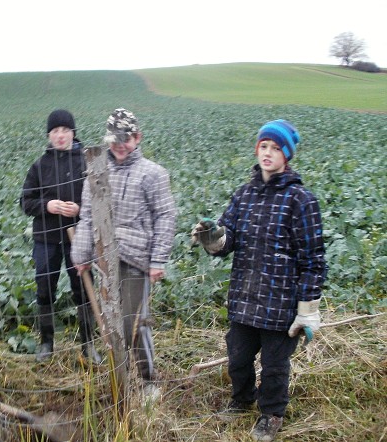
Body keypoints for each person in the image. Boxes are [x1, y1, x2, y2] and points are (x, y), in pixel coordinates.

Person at [191, 119, 327, 441]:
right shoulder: (244, 195)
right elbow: (228, 240)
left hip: (280, 303)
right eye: (264, 146)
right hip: (245, 297)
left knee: (275, 364)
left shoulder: (301, 200)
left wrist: (307, 308)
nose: (268, 153)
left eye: (276, 148)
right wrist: (214, 237)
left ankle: (271, 414)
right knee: (237, 356)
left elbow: (313, 260)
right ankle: (241, 400)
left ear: (287, 156)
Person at [71, 108, 177, 400]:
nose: (119, 144)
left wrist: (157, 261)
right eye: (113, 139)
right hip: (104, 258)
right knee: (110, 321)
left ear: (137, 137)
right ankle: (120, 375)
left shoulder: (153, 173)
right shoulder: (96, 171)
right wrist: (80, 254)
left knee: (132, 322)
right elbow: (88, 216)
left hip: (136, 259)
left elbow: (165, 217)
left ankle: (147, 380)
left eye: (125, 139)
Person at [20, 109, 101, 364]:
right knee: (45, 289)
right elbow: (25, 201)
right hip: (46, 239)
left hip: (79, 237)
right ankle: (46, 343)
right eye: (55, 131)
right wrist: (48, 205)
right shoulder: (39, 165)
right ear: (49, 135)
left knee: (83, 288)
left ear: (73, 133)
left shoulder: (87, 162)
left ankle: (88, 344)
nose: (60, 135)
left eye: (65, 130)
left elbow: (100, 198)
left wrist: (80, 208)